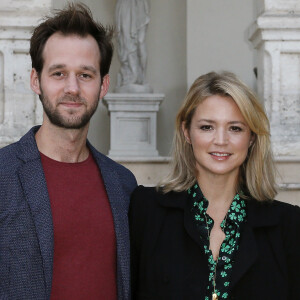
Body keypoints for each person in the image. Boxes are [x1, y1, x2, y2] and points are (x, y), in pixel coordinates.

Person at [0, 3, 136, 300]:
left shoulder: (124, 184)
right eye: (59, 73)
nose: (72, 88)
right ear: (36, 80)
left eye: (85, 75)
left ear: (103, 85)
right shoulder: (3, 175)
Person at [129, 71, 300, 300]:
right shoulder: (145, 210)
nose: (221, 140)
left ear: (251, 138)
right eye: (207, 127)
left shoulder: (289, 225)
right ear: (186, 132)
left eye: (235, 128)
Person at [115, 0, 151, 92]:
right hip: (125, 5)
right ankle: (131, 74)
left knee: (139, 41)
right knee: (125, 41)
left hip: (138, 5)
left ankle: (140, 76)